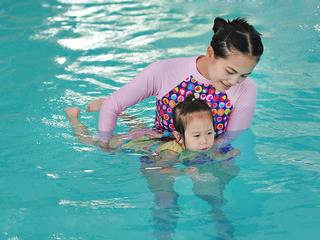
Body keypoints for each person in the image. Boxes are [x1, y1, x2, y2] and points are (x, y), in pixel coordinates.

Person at [87, 17, 264, 146]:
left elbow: (231, 137)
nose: (235, 81)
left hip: (208, 149)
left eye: (245, 75)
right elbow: (113, 105)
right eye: (230, 71)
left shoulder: (247, 89)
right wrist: (104, 142)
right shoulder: (163, 71)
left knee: (212, 193)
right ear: (211, 53)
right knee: (163, 193)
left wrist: (196, 156)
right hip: (161, 142)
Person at [65, 95, 240, 173]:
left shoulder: (203, 144)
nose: (205, 140)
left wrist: (222, 157)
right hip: (131, 143)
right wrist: (181, 172)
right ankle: (73, 116)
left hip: (151, 136)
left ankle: (108, 106)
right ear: (179, 137)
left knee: (138, 126)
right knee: (93, 141)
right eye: (197, 135)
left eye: (209, 133)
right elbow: (157, 169)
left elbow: (210, 153)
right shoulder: (172, 152)